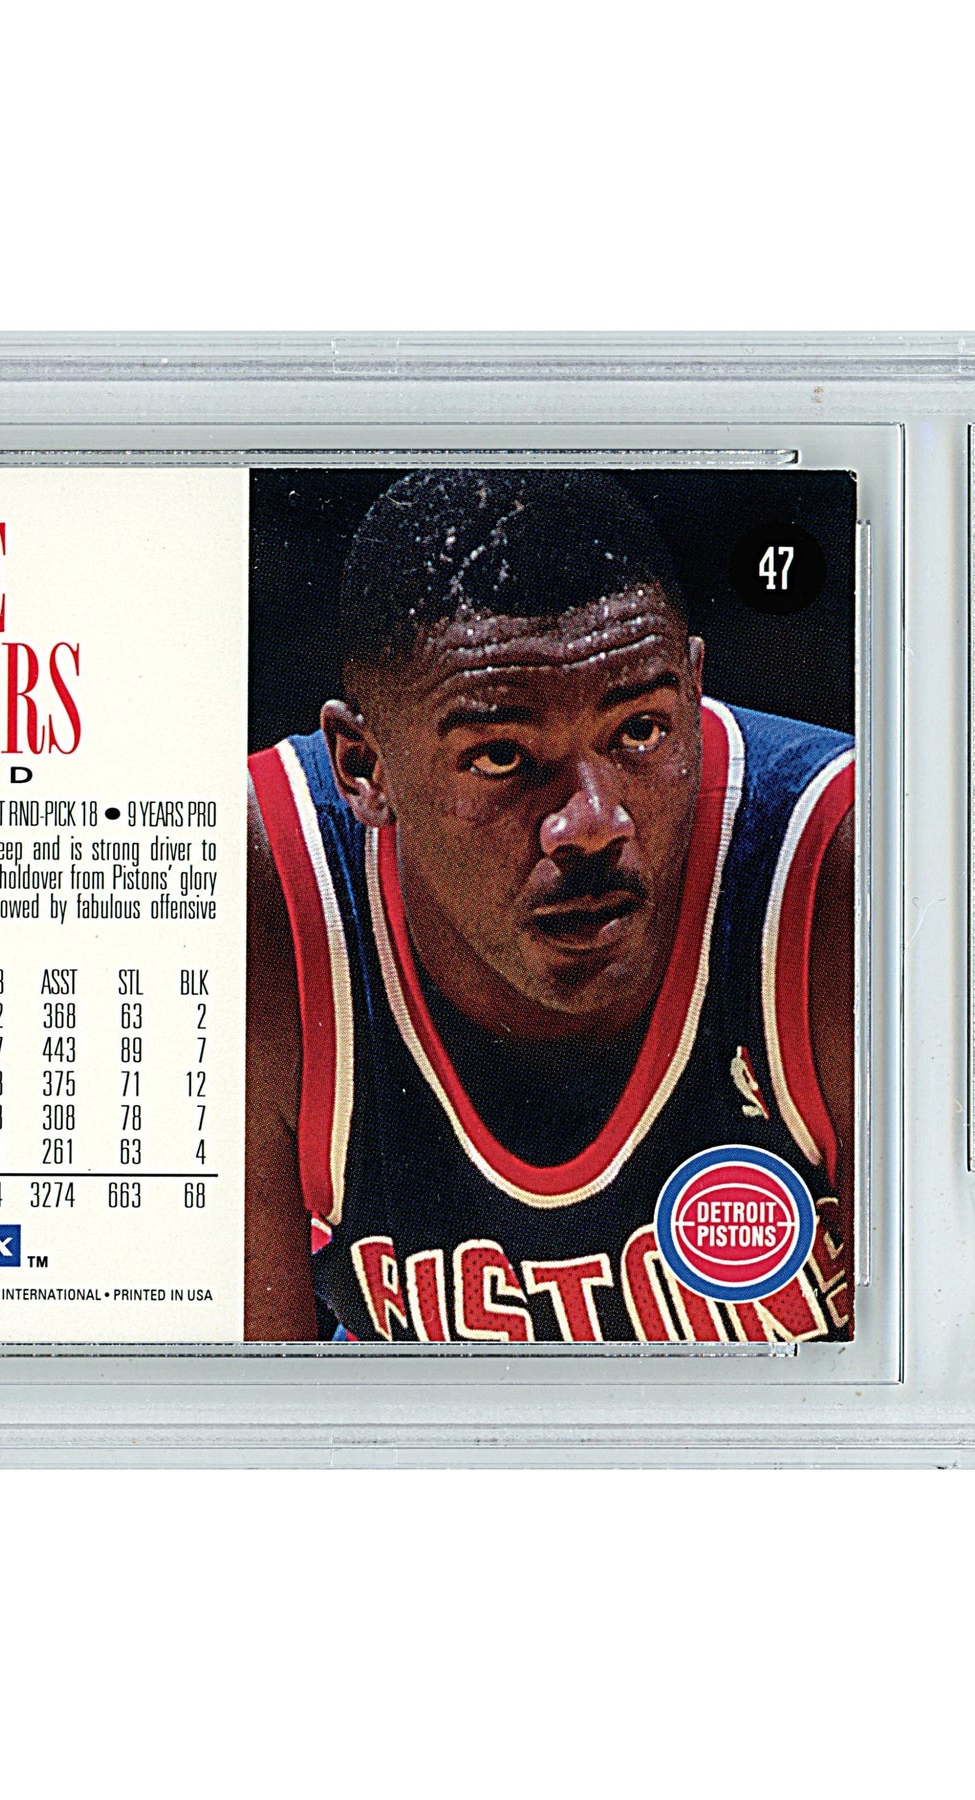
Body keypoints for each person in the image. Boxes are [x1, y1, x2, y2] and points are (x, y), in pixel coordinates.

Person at [245, 471, 853, 1343]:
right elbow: (219, 1421)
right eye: (501, 755)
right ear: (363, 767)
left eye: (640, 730)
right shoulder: (264, 891)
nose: (592, 823)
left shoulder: (846, 870)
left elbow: (955, 1401)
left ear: (694, 691)